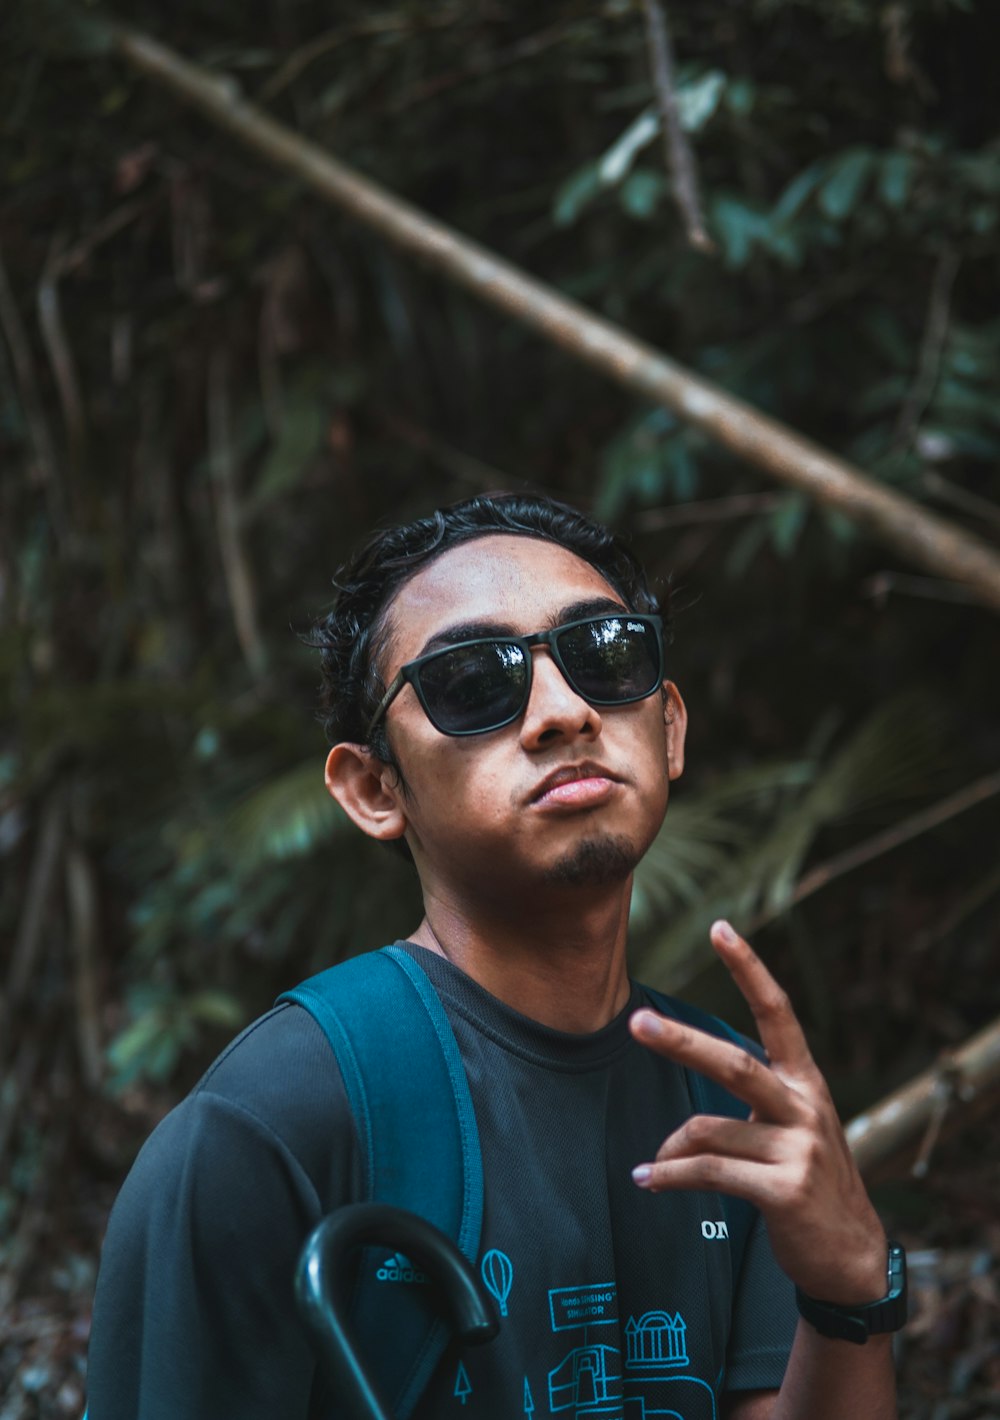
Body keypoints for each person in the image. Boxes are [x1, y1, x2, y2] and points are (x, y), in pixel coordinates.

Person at [87, 493, 901, 1419]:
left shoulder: (734, 1101)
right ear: (372, 787)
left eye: (605, 657)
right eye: (474, 682)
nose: (564, 712)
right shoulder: (271, 1123)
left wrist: (848, 1287)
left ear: (668, 727)